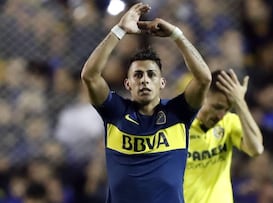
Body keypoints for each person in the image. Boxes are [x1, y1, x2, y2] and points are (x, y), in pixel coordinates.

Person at [80, 2, 211, 203]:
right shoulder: (115, 112)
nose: (144, 80)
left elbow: (204, 79)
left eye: (151, 75)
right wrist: (119, 30)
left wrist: (177, 35)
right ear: (128, 84)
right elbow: (89, 76)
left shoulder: (178, 113)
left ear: (161, 83)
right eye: (138, 75)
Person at [183, 69, 264, 203]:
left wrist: (240, 102)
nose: (221, 115)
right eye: (217, 107)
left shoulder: (229, 122)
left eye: (227, 109)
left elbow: (256, 149)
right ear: (202, 96)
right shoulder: (178, 127)